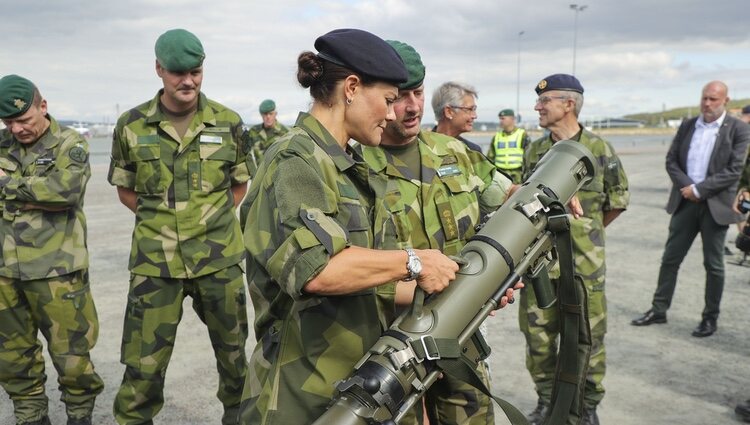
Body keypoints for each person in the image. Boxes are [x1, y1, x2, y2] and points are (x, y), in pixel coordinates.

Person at [237, 28, 520, 425]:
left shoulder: (342, 165)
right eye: (388, 99)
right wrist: (416, 261)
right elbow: (318, 271)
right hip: (304, 394)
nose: (393, 113)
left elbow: (372, 287)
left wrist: (471, 288)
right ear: (352, 88)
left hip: (360, 386)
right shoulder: (296, 161)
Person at [362, 40, 517, 425]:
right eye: (399, 97)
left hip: (460, 337)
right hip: (387, 345)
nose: (412, 106)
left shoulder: (455, 153)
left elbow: (506, 194)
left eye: (417, 92)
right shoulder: (353, 165)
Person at [107, 29, 251, 425]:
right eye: (177, 73)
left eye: (196, 71)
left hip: (219, 263)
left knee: (236, 361)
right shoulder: (131, 125)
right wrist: (165, 223)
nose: (187, 80)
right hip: (156, 266)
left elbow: (239, 184)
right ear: (159, 69)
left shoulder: (228, 122)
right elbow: (125, 189)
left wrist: (206, 221)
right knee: (142, 370)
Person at [520, 74, 630, 425]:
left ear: (569, 104)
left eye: (545, 100)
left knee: (588, 337)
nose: (538, 106)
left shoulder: (600, 150)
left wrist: (584, 235)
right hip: (540, 265)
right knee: (538, 339)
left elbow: (616, 201)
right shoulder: (535, 151)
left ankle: (586, 405)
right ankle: (547, 402)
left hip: (585, 267)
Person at [0, 75, 103, 425]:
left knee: (73, 358)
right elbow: (45, 192)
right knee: (14, 360)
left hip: (57, 274)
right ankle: (30, 418)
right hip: (5, 274)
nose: (16, 129)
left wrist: (6, 185)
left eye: (23, 120)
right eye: (8, 123)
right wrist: (33, 192)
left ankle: (79, 417)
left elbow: (65, 191)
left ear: (43, 107)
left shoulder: (69, 144)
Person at [631, 81, 750, 338]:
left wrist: (700, 190)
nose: (707, 104)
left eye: (713, 99)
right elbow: (671, 160)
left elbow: (734, 170)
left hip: (714, 206)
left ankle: (710, 318)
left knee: (714, 264)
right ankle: (658, 309)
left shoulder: (738, 129)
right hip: (684, 203)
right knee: (670, 259)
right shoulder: (687, 126)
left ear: (725, 101)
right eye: (704, 98)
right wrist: (688, 188)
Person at [431, 81, 484, 153]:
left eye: (474, 109)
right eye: (469, 109)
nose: (474, 116)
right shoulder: (420, 149)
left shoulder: (473, 152)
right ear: (449, 112)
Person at [486, 108, 530, 184]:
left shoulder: (522, 135)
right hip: (500, 175)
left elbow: (529, 156)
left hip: (518, 175)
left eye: (503, 118)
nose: (501, 121)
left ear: (512, 119)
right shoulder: (497, 136)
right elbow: (490, 158)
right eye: (500, 119)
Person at [247, 99, 288, 167]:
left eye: (271, 114)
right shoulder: (253, 132)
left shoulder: (286, 132)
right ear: (261, 115)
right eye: (265, 114)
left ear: (275, 114)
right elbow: (248, 155)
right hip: (257, 174)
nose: (268, 117)